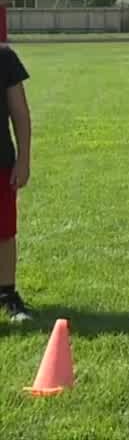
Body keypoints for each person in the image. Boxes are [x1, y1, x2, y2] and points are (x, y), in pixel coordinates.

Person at [0, 43, 31, 323]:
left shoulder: (4, 57)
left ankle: (7, 294)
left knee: (5, 232)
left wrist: (23, 160)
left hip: (0, 161)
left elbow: (20, 113)